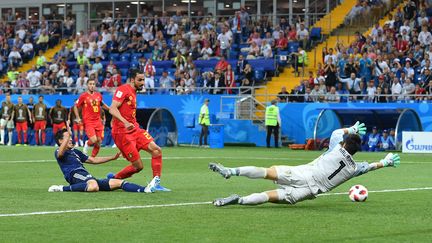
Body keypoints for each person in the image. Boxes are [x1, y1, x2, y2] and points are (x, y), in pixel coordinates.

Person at [209, 121, 400, 207]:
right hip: (308, 192)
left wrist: (352, 128)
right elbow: (370, 167)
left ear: (343, 143)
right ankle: (240, 200)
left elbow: (336, 133)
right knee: (267, 197)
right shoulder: (353, 168)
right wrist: (386, 161)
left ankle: (231, 171)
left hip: (303, 174)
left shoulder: (335, 147)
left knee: (266, 172)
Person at [108, 69, 170, 191]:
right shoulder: (123, 90)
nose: (143, 83)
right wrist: (125, 123)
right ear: (132, 80)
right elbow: (112, 109)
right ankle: (115, 178)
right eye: (140, 80)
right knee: (138, 166)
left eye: (143, 80)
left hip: (135, 129)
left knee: (157, 150)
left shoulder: (134, 91)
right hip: (122, 133)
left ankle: (155, 184)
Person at [48, 128, 159, 193]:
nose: (71, 139)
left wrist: (112, 157)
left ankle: (145, 189)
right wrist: (67, 135)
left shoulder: (75, 151)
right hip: (75, 175)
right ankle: (61, 188)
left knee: (118, 183)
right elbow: (61, 153)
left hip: (86, 175)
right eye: (67, 137)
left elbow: (93, 160)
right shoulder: (58, 151)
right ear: (60, 140)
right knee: (93, 186)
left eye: (70, 137)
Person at [74, 79, 109, 156]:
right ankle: (87, 143)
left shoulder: (98, 95)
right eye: (90, 84)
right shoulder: (83, 96)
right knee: (93, 140)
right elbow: (75, 106)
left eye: (93, 84)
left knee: (99, 141)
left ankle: (93, 157)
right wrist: (77, 117)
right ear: (87, 85)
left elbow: (102, 104)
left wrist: (110, 109)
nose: (92, 86)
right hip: (89, 121)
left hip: (98, 121)